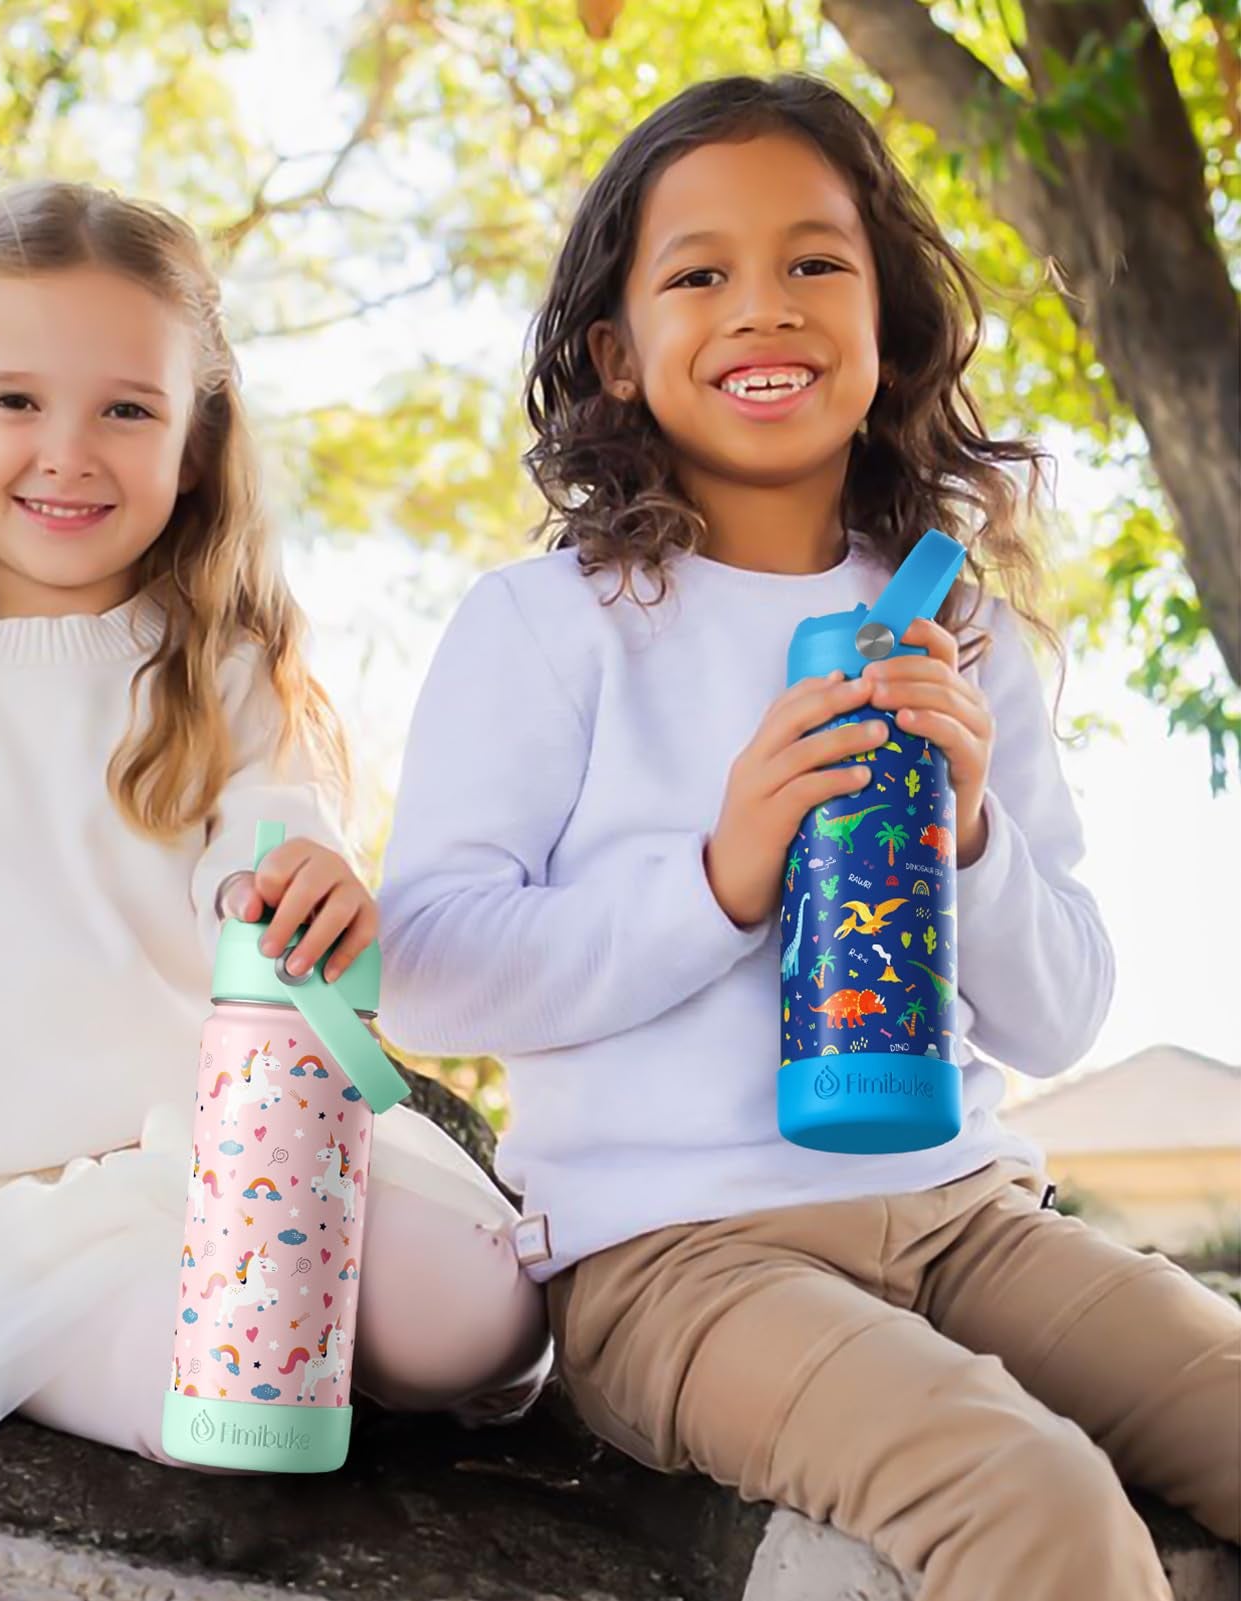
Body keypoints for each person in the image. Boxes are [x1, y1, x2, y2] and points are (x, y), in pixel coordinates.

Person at [375, 75, 1238, 1600]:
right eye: (698, 274)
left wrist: (970, 837)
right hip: (675, 1250)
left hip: (968, 1216)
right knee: (1028, 1494)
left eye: (815, 263)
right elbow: (429, 972)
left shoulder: (954, 627)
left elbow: (1061, 1016)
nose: (761, 307)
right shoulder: (550, 624)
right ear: (615, 354)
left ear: (887, 325)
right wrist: (720, 876)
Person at [0, 180, 548, 1459]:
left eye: (126, 409)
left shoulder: (220, 666)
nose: (68, 451)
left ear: (194, 444)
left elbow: (267, 831)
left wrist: (297, 879)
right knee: (219, 1380)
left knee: (474, 1323)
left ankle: (312, 1332)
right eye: (14, 400)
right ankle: (233, 1362)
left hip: (238, 1149)